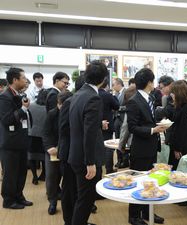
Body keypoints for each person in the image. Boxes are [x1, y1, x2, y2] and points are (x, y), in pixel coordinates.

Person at [68, 61, 107, 225]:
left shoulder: (78, 94)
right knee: (85, 200)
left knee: (82, 197)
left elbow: (82, 125)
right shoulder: (93, 98)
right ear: (104, 79)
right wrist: (90, 162)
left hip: (76, 153)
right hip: (86, 158)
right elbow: (89, 134)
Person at [127, 68, 167, 225]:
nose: (155, 84)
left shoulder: (149, 98)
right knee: (138, 182)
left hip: (151, 147)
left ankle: (147, 211)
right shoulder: (134, 101)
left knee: (151, 180)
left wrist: (158, 126)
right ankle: (134, 216)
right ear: (149, 82)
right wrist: (153, 130)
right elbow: (133, 127)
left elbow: (147, 121)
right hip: (140, 148)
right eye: (153, 81)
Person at [0, 67, 33, 209]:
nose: (25, 81)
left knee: (21, 172)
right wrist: (23, 109)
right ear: (15, 80)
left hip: (20, 141)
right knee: (10, 173)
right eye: (23, 78)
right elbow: (7, 120)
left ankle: (19, 196)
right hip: (10, 143)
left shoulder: (19, 95)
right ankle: (8, 200)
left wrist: (25, 110)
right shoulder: (4, 97)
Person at [44, 91, 73, 215]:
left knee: (68, 178)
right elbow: (46, 133)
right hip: (53, 151)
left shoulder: (72, 113)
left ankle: (70, 203)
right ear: (58, 103)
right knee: (51, 178)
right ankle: (53, 202)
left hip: (68, 151)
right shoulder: (51, 114)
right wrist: (49, 147)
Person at [167, 80, 187, 170]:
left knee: (178, 170)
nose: (171, 95)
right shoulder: (180, 105)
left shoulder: (186, 107)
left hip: (182, 146)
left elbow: (181, 130)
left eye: (173, 93)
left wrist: (177, 149)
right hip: (177, 144)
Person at [98, 77, 120, 174]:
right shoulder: (107, 95)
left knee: (97, 146)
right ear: (106, 85)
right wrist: (113, 95)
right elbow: (117, 106)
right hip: (107, 124)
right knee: (108, 148)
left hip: (96, 124)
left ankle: (98, 166)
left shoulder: (93, 93)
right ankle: (109, 169)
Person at [28, 89, 48, 185]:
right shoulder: (48, 108)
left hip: (31, 134)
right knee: (44, 156)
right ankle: (43, 174)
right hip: (43, 135)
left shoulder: (31, 106)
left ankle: (34, 176)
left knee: (31, 156)